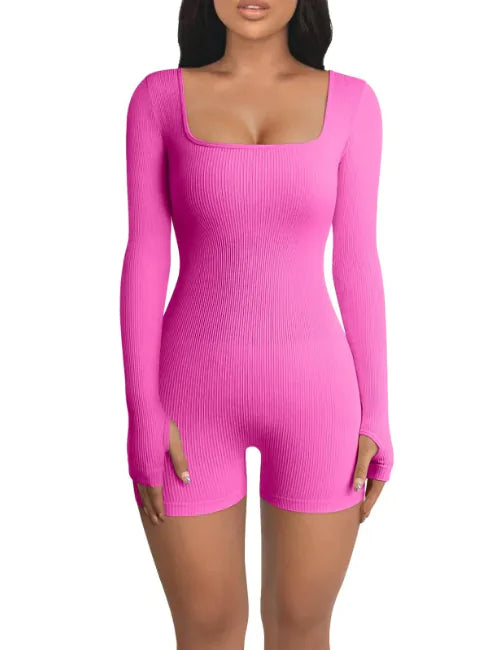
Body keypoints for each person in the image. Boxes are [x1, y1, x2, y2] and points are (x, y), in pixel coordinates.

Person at [119, 1, 394, 648]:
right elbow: (145, 257)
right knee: (207, 632)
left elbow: (357, 263)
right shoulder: (159, 100)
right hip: (190, 400)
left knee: (301, 631)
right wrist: (142, 413)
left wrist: (377, 414)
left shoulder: (352, 103)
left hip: (318, 401)